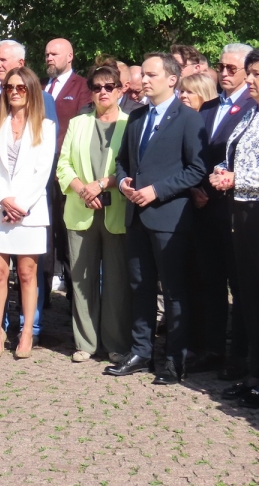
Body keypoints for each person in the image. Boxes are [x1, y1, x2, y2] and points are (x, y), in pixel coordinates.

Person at [107, 52, 207, 385]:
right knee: (141, 287)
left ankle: (174, 360)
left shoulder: (188, 119)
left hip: (169, 218)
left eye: (151, 75)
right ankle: (141, 351)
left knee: (175, 291)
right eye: (143, 74)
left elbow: (197, 168)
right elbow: (122, 160)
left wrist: (157, 190)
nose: (144, 80)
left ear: (172, 79)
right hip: (136, 216)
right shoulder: (137, 117)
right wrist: (123, 181)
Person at [187, 44, 256, 377]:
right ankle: (211, 348)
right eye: (222, 67)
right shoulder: (209, 106)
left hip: (238, 209)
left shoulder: (252, 107)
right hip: (204, 205)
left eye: (233, 68)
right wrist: (196, 187)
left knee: (240, 286)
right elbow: (197, 154)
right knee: (209, 280)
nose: (224, 73)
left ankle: (240, 356)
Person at [56, 66, 131, 363]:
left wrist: (100, 185)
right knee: (81, 281)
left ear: (120, 90)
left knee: (117, 282)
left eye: (109, 86)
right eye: (97, 87)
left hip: (117, 212)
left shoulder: (130, 123)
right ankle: (85, 343)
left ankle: (116, 343)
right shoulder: (78, 123)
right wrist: (82, 189)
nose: (103, 92)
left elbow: (131, 166)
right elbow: (63, 165)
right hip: (80, 209)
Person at [0, 67, 56, 359]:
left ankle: (26, 333)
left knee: (26, 273)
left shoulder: (45, 127)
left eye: (21, 87)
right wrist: (4, 200)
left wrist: (20, 205)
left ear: (31, 91)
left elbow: (42, 171)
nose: (14, 92)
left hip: (29, 212)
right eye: (9, 87)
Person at [209, 48, 259, 407]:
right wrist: (221, 171)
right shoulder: (251, 112)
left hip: (255, 208)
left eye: (257, 75)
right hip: (240, 212)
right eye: (251, 74)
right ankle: (253, 374)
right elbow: (233, 153)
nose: (250, 80)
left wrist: (237, 178)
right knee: (247, 295)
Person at [43, 38, 91, 299]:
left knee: (67, 235)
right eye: (47, 54)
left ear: (70, 56)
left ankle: (75, 300)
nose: (49, 58)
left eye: (54, 54)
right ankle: (42, 296)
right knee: (45, 233)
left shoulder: (82, 87)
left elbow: (82, 127)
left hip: (67, 171)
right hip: (41, 170)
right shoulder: (41, 87)